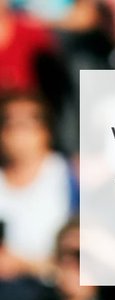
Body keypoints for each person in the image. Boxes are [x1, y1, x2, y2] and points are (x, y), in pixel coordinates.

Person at [0, 94, 73, 272]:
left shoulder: (71, 178)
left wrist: (21, 265)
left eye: (26, 124)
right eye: (9, 123)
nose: (17, 133)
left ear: (46, 131)